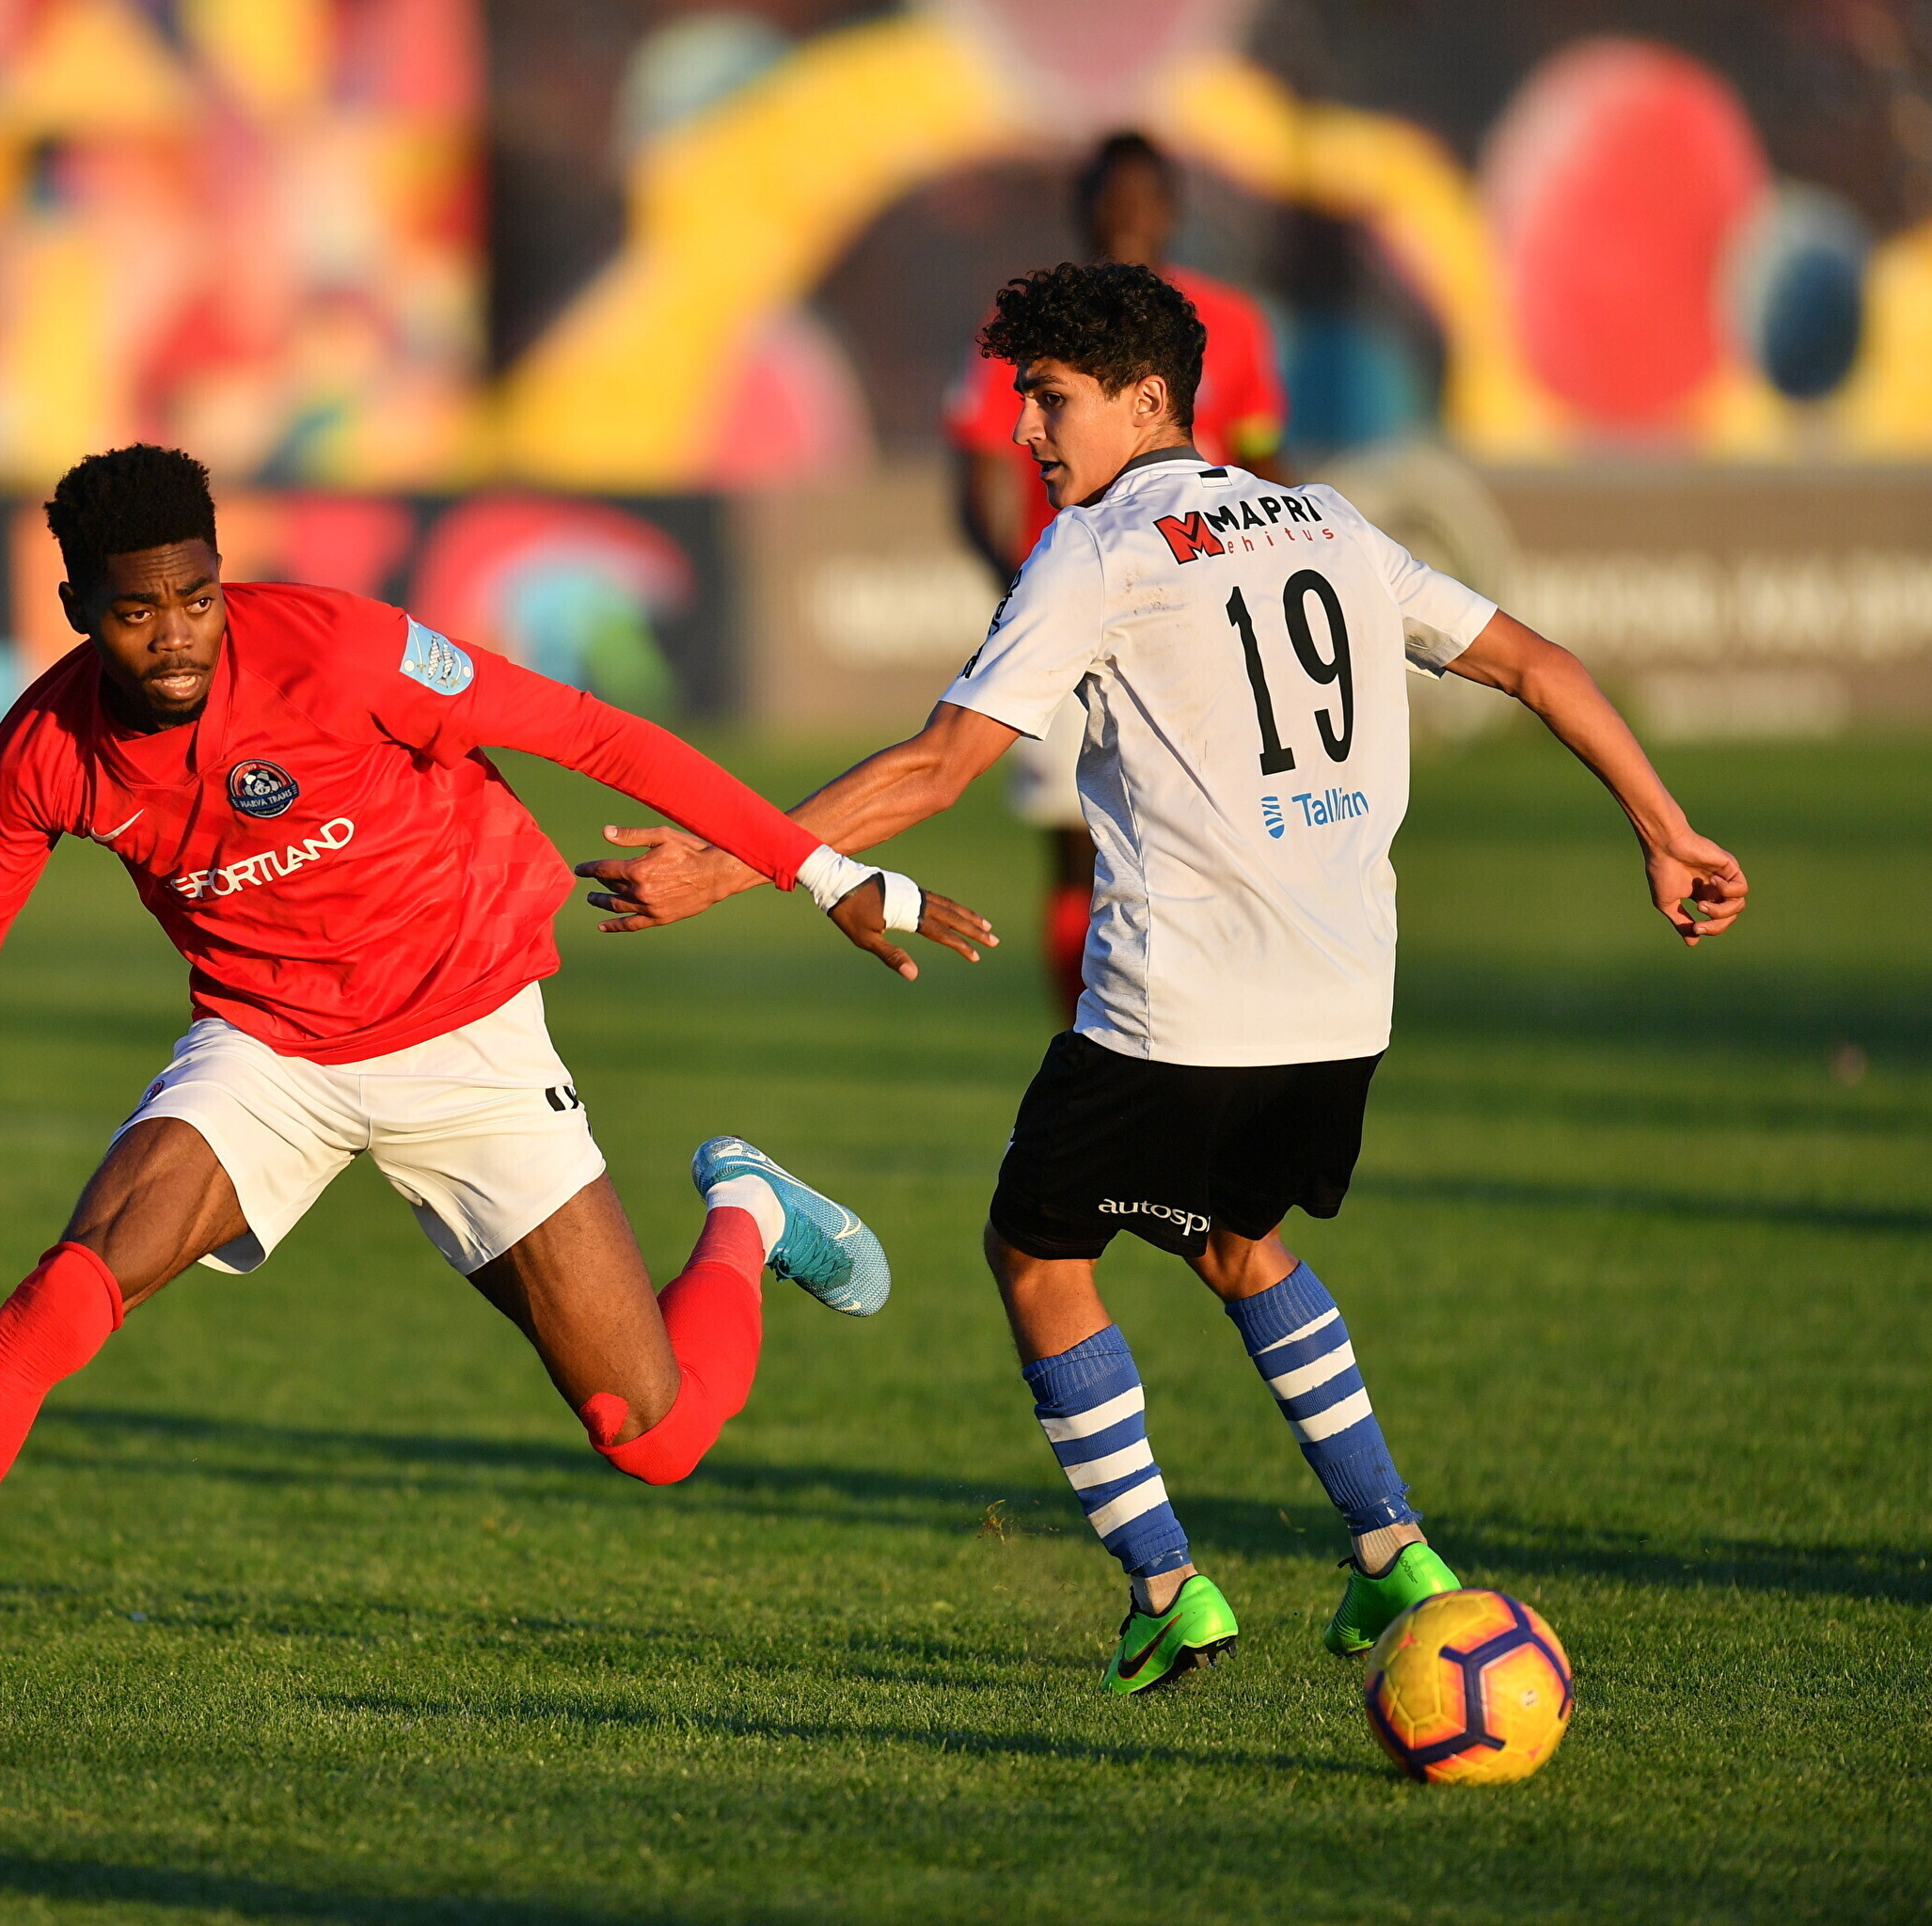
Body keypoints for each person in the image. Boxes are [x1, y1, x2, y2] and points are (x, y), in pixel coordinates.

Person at [0, 444, 993, 1730]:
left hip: (468, 1029)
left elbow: (594, 734)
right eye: (136, 610)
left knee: (656, 1436)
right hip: (266, 1050)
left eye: (197, 598)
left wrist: (820, 871)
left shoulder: (342, 648)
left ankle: (747, 1211)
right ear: (76, 609)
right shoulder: (40, 755)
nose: (177, 636)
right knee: (64, 1293)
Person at [580, 262, 1746, 1694]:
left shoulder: (1100, 548)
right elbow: (1540, 663)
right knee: (1238, 1242)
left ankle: (1165, 1586)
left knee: (1035, 1253)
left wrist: (720, 864)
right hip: (1342, 1011)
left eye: (1050, 399)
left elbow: (938, 766)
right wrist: (1665, 829)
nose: (1026, 433)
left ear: (1147, 400)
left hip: (1178, 1011)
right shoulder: (1329, 521)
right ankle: (1394, 1550)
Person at [946, 134, 1286, 1018]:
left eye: (1144, 199)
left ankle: (1202, 1034)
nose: (1128, 217)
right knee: (1078, 849)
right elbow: (974, 484)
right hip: (1072, 609)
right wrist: (1031, 593)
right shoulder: (1027, 331)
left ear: (1172, 210)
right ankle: (1084, 1037)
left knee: (1209, 840)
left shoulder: (1230, 324)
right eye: (1111, 199)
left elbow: (1262, 462)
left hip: (1200, 619)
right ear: (1084, 208)